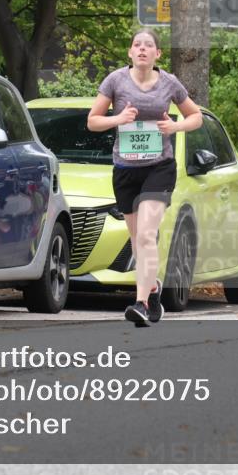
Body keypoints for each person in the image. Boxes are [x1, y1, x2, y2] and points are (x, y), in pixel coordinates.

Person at [87, 28, 202, 326]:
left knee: (147, 234)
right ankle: (152, 288)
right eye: (137, 45)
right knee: (138, 239)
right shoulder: (115, 81)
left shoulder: (169, 83)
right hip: (125, 169)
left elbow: (196, 116)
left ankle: (140, 303)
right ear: (129, 52)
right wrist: (118, 119)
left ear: (157, 54)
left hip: (159, 167)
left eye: (148, 45)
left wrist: (175, 128)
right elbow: (93, 121)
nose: (142, 49)